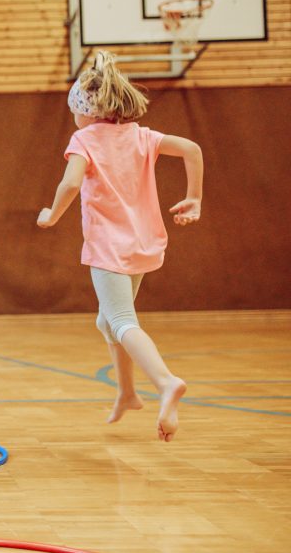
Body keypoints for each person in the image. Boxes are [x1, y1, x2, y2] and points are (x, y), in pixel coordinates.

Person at [37, 51, 203, 442]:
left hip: (109, 248)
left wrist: (52, 214)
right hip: (143, 244)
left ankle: (164, 382)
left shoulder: (85, 138)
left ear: (87, 112)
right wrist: (194, 198)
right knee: (106, 320)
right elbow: (193, 150)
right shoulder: (141, 135)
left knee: (122, 321)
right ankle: (127, 393)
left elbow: (72, 183)